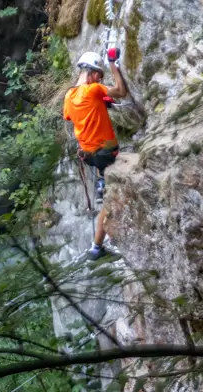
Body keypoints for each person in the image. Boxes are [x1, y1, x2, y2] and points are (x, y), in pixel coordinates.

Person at [63, 49, 128, 260]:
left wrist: (100, 104)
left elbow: (71, 116)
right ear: (91, 73)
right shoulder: (93, 90)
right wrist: (112, 63)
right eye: (99, 76)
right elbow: (120, 91)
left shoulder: (69, 96)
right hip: (107, 153)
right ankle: (98, 245)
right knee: (113, 198)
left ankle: (96, 247)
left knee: (107, 193)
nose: (99, 80)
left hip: (90, 155)